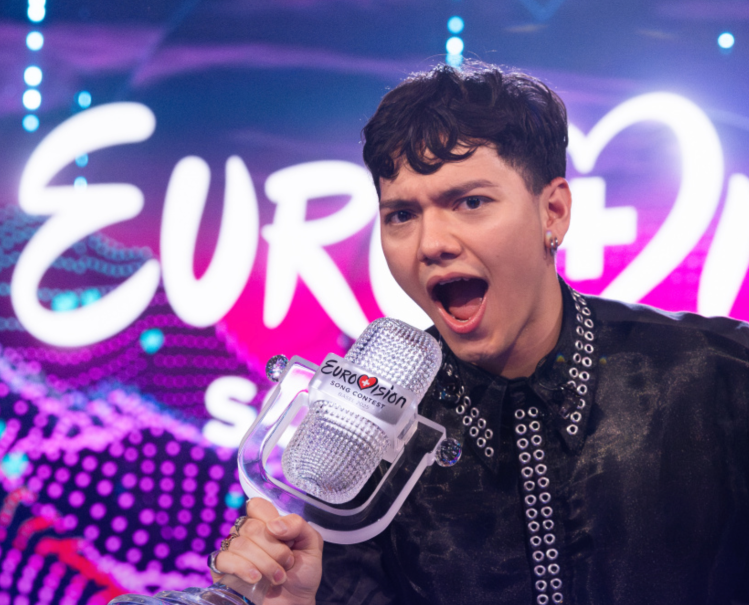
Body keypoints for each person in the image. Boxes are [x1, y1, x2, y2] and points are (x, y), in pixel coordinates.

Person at [208, 62, 749, 604]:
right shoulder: (364, 437)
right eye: (401, 215)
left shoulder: (721, 376)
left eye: (470, 202)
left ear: (553, 212)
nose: (431, 244)